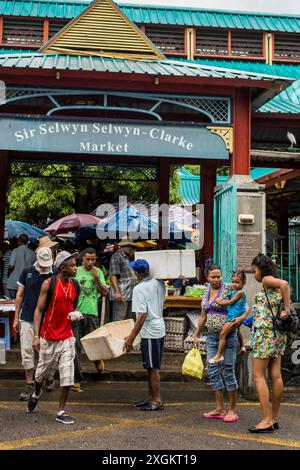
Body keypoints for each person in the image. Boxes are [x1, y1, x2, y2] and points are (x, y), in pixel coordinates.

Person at [27, 251, 80, 425]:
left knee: (67, 374)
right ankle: (36, 393)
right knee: (40, 374)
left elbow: (72, 307)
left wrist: (75, 315)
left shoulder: (75, 285)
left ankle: (61, 411)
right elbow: (39, 311)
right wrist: (36, 336)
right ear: (62, 267)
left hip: (67, 337)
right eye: (72, 265)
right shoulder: (48, 284)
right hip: (48, 337)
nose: (75, 268)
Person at [193, 265, 245, 423]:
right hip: (211, 337)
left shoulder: (230, 288)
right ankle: (219, 408)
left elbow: (245, 305)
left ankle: (232, 409)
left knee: (228, 370)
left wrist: (241, 319)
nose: (216, 279)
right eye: (213, 277)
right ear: (207, 278)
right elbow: (203, 316)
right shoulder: (206, 291)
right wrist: (196, 334)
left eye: (219, 276)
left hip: (228, 336)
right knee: (213, 371)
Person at [249, 253, 290, 434]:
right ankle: (273, 418)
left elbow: (285, 284)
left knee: (257, 375)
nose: (254, 274)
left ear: (261, 268)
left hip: (265, 333)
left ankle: (265, 420)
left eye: (254, 270)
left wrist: (287, 310)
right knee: (276, 375)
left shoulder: (267, 279)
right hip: (276, 333)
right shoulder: (272, 283)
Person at [13, 247, 56, 400]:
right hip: (27, 317)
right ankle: (29, 384)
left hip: (48, 320)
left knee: (48, 353)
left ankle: (49, 377)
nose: (45, 266)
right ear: (37, 258)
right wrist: (16, 318)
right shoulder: (27, 272)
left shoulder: (55, 273)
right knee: (27, 352)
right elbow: (19, 295)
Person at [124, 259, 165, 411]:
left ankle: (157, 400)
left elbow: (142, 315)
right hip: (159, 327)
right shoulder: (159, 283)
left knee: (152, 367)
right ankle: (150, 397)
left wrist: (131, 337)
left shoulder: (139, 288)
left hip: (149, 331)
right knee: (150, 366)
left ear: (137, 273)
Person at [72, 247, 108, 391]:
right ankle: (76, 378)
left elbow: (105, 292)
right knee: (76, 347)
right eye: (88, 259)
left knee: (93, 343)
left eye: (93, 259)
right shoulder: (76, 271)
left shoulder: (98, 271)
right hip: (76, 314)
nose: (91, 262)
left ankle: (97, 359)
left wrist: (97, 278)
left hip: (92, 313)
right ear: (83, 259)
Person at [209, 270, 247, 364]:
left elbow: (230, 302)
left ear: (244, 282)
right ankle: (242, 346)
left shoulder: (240, 293)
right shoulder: (235, 291)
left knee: (222, 334)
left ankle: (219, 355)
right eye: (233, 282)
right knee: (237, 331)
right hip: (233, 316)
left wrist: (219, 301)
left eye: (237, 282)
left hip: (233, 318)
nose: (234, 284)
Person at [109, 238, 136, 322]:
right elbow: (113, 275)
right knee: (119, 321)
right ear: (122, 246)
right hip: (121, 294)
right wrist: (117, 291)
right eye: (128, 246)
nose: (130, 248)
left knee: (128, 320)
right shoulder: (116, 257)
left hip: (129, 293)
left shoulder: (128, 257)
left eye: (131, 246)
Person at [7, 234, 36, 299]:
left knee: (13, 305)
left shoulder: (15, 251)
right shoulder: (33, 253)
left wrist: (8, 276)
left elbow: (11, 266)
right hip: (27, 283)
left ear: (19, 241)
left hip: (14, 282)